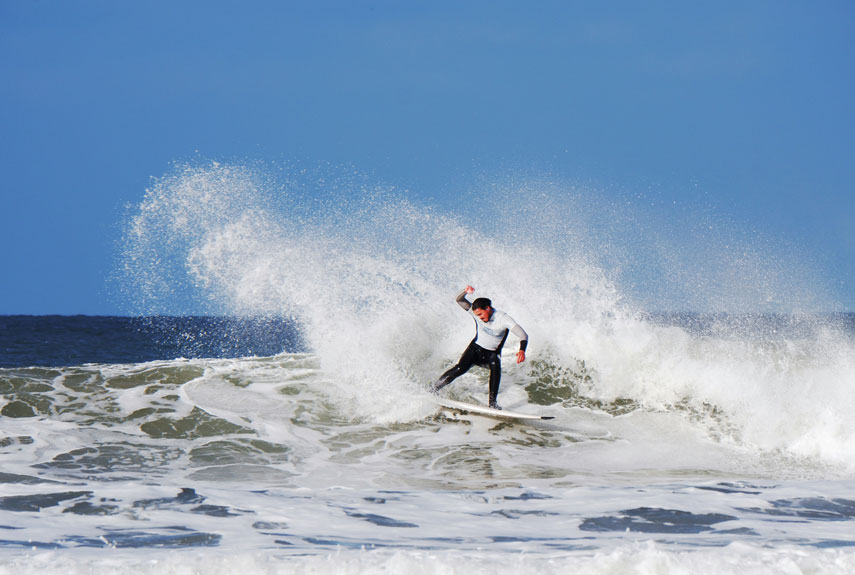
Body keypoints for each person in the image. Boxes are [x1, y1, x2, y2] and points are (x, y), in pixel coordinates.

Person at [431, 285, 528, 409]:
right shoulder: (476, 313)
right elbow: (459, 300)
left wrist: (522, 350)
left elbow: (523, 334)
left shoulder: (503, 319)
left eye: (481, 314)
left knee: (495, 371)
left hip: (492, 354)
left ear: (487, 308)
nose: (480, 318)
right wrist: (465, 291)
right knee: (460, 368)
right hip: (475, 349)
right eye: (477, 315)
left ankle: (492, 404)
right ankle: (433, 389)